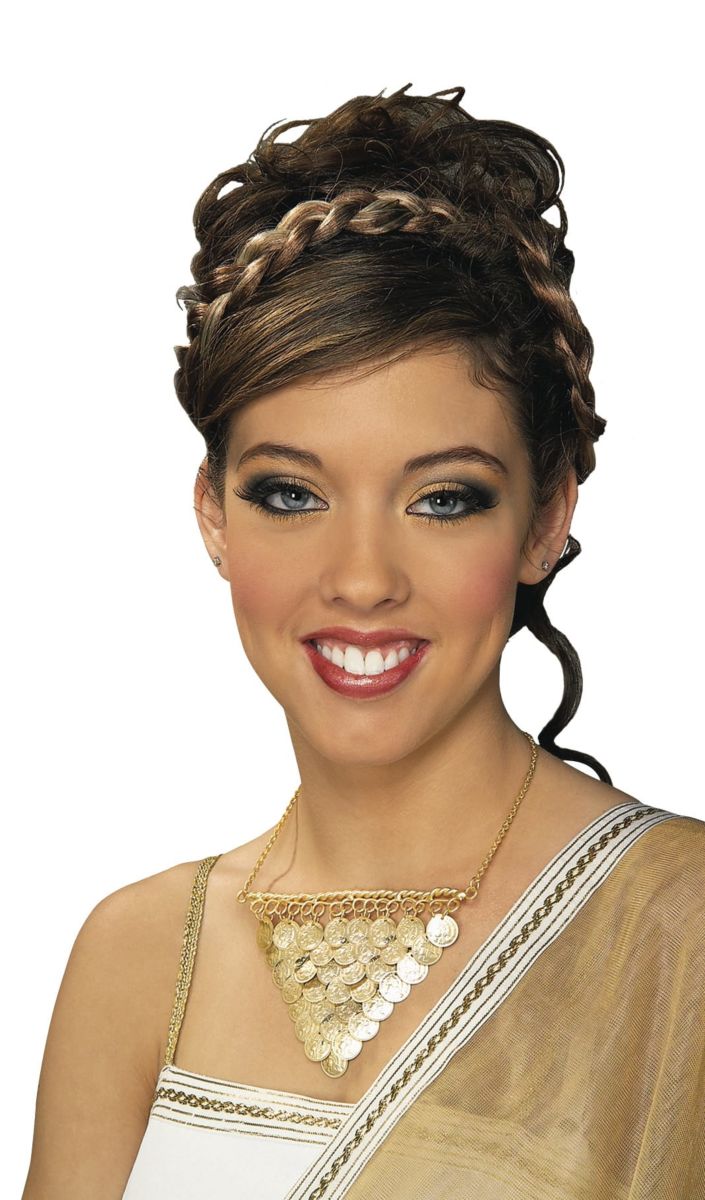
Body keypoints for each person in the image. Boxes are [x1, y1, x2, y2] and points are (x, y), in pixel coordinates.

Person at [22, 83, 704, 1200]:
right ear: (213, 514)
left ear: (545, 519)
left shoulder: (677, 934)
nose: (361, 579)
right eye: (291, 494)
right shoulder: (137, 954)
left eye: (442, 500)